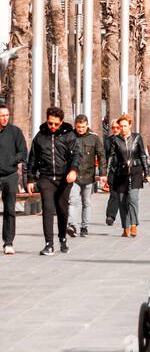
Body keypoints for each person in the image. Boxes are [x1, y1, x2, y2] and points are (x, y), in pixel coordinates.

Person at [26, 107, 80, 255]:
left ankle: (62, 238)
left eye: (56, 124)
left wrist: (73, 170)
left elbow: (76, 155)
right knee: (48, 210)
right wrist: (30, 178)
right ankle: (49, 244)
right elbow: (32, 159)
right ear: (47, 120)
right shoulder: (40, 137)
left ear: (61, 122)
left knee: (62, 210)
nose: (53, 127)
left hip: (64, 178)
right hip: (46, 178)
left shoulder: (69, 135)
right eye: (50, 123)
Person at [105, 115, 149, 237]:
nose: (123, 128)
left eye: (125, 125)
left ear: (130, 125)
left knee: (133, 199)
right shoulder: (115, 140)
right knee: (122, 201)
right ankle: (125, 227)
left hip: (135, 172)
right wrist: (107, 174)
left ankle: (134, 225)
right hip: (120, 173)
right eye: (121, 126)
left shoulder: (137, 137)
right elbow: (111, 157)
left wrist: (147, 172)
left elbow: (143, 155)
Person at [66, 113, 107, 238]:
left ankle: (84, 227)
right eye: (78, 127)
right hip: (74, 175)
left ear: (87, 125)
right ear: (75, 126)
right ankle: (72, 225)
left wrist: (103, 173)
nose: (81, 129)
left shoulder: (94, 138)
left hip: (89, 175)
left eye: (83, 127)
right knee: (73, 201)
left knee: (86, 202)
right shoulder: (70, 137)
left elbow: (101, 156)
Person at [0, 103, 27, 255]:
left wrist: (12, 160)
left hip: (10, 175)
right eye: (2, 116)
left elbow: (23, 151)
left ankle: (8, 242)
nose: (4, 118)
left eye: (6, 115)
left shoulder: (15, 132)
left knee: (10, 209)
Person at [104, 118, 123, 225]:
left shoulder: (127, 139)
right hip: (113, 171)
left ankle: (129, 219)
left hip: (125, 172)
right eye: (113, 128)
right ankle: (110, 216)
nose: (115, 129)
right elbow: (105, 156)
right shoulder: (108, 140)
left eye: (117, 127)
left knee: (126, 196)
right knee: (114, 194)